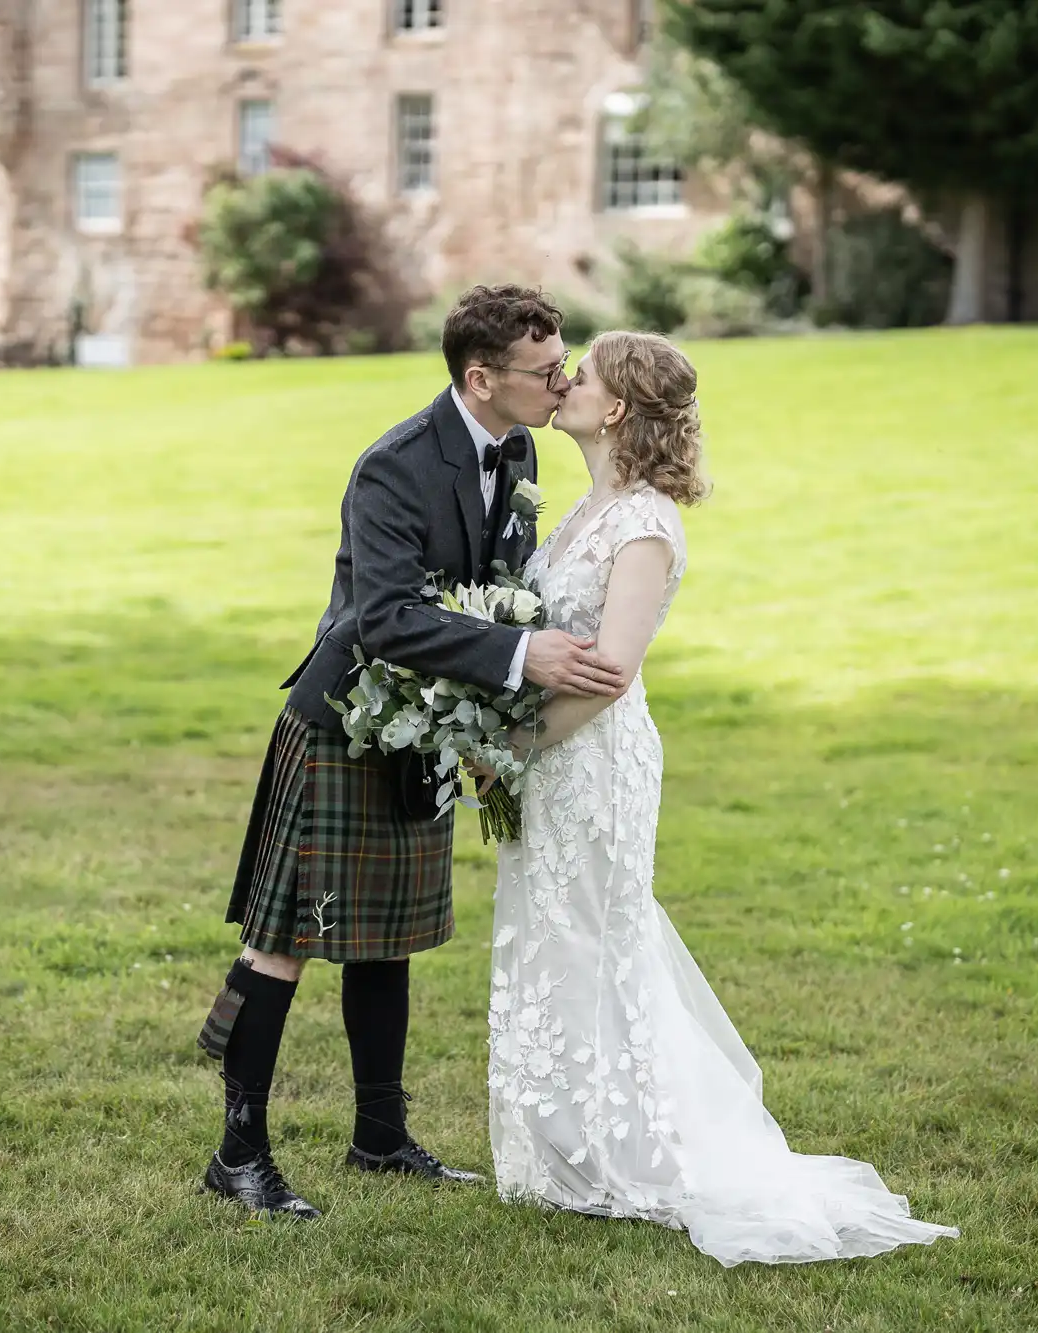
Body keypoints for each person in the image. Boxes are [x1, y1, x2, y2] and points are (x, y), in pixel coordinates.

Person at [487, 331, 961, 1265]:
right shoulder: (585, 508)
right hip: (548, 753)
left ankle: (630, 1154)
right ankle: (558, 1150)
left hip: (592, 757)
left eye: (583, 373)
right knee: (548, 930)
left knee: (597, 933)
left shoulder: (646, 525)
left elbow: (613, 670)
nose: (566, 381)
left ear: (617, 407)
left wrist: (515, 746)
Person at [197, 285, 626, 1220]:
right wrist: (522, 655)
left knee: (384, 942)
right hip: (346, 721)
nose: (560, 380)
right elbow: (386, 617)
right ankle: (237, 1154)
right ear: (482, 377)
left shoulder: (514, 449)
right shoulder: (392, 467)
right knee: (284, 944)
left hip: (428, 724)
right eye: (543, 368)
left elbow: (492, 583)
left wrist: (486, 716)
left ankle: (380, 1137)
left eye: (563, 362)